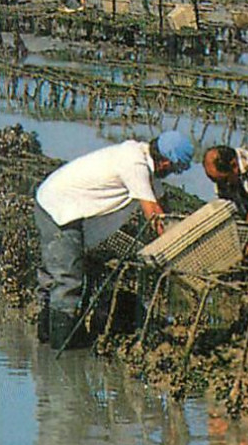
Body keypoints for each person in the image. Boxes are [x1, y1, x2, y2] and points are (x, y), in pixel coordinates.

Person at [34, 131, 194, 351]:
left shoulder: (141, 161)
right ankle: (61, 343)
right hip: (59, 208)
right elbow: (155, 216)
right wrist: (180, 251)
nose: (172, 174)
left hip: (56, 201)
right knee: (67, 278)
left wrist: (181, 231)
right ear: (166, 162)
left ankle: (47, 333)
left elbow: (162, 205)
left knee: (56, 271)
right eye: (174, 169)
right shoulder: (135, 165)